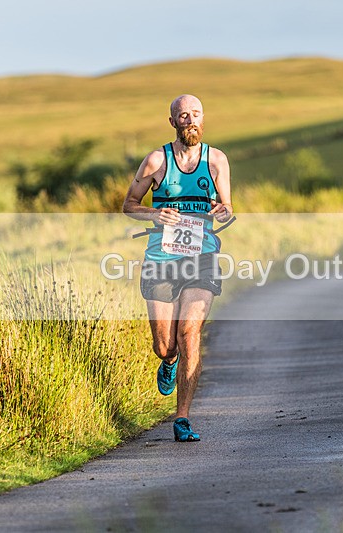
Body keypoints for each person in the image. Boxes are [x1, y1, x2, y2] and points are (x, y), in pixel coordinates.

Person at [123, 94, 232, 441]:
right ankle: (168, 362)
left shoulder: (216, 160)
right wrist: (155, 213)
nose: (190, 120)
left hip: (202, 258)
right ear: (173, 122)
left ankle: (182, 418)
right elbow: (129, 204)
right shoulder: (157, 160)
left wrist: (223, 211)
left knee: (189, 333)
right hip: (161, 260)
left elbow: (227, 208)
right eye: (183, 115)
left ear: (203, 118)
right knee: (165, 345)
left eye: (195, 114)